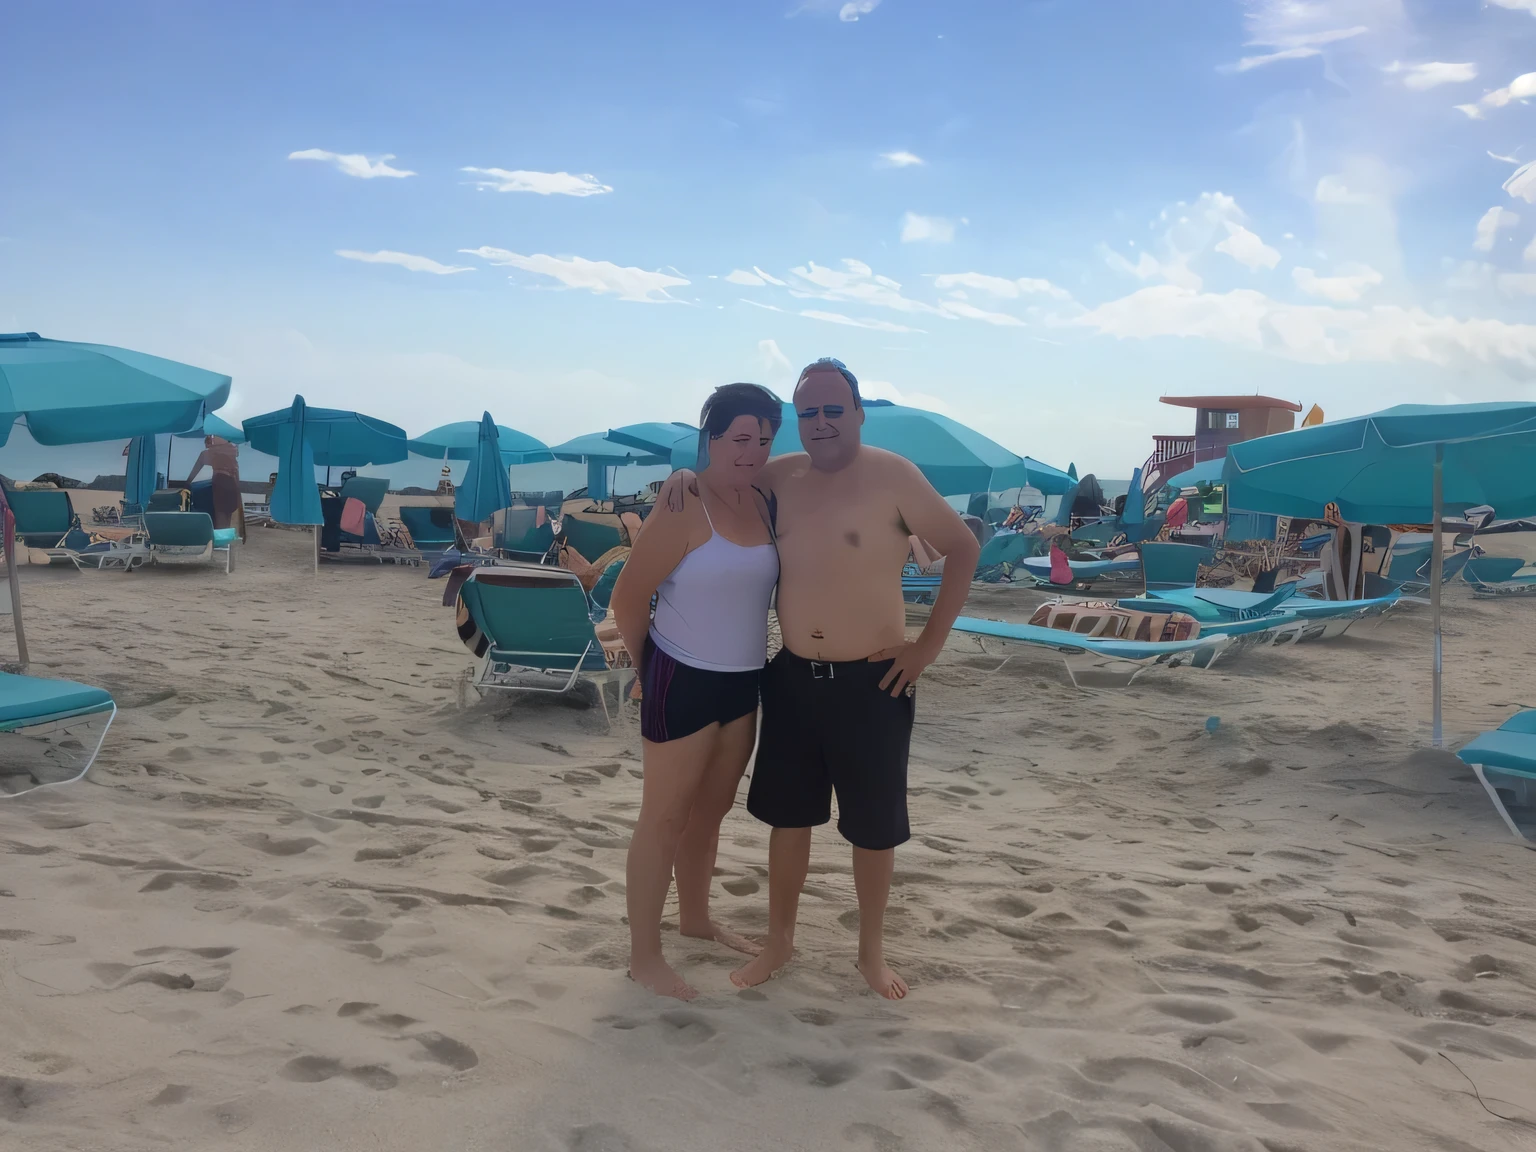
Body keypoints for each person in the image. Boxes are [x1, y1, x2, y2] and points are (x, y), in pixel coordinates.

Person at [668, 357, 981, 998]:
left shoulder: (894, 476)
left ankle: (870, 952)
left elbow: (963, 547)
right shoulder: (780, 477)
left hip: (874, 680)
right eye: (807, 412)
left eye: (832, 409)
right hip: (791, 679)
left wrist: (928, 646)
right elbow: (719, 484)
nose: (821, 422)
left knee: (874, 825)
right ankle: (781, 941)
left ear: (858, 413)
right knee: (790, 819)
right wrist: (683, 475)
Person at [610, 383, 784, 1000]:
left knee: (709, 814)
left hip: (744, 680)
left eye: (764, 438)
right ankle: (644, 955)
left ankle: (696, 918)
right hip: (681, 675)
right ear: (711, 437)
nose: (754, 449)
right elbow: (627, 598)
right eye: (740, 438)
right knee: (662, 817)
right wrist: (647, 670)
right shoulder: (684, 503)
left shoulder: (765, 497)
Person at [184, 435, 242, 533]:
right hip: (232, 483)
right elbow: (236, 473)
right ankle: (225, 540)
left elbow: (196, 469)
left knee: (220, 514)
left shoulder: (208, 454)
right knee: (228, 514)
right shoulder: (231, 453)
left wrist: (187, 482)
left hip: (220, 482)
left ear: (210, 443)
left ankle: (220, 541)